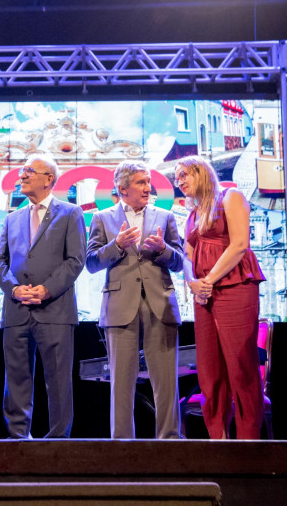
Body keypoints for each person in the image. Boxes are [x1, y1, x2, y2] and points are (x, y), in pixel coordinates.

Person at [85, 160, 183, 439]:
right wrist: (117, 246)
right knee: (121, 381)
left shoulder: (165, 216)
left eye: (148, 182)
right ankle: (123, 447)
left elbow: (179, 262)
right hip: (119, 305)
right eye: (141, 182)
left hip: (160, 302)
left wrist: (164, 250)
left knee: (165, 381)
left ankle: (169, 442)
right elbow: (91, 263)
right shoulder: (102, 218)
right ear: (122, 188)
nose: (148, 188)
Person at [0, 155, 86, 439]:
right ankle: (19, 439)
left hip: (55, 311)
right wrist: (13, 289)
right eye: (22, 172)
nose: (22, 177)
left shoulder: (71, 213)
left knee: (58, 381)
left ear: (48, 179)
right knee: (16, 380)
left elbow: (76, 259)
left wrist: (47, 289)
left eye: (29, 172)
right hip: (17, 311)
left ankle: (57, 443)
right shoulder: (12, 218)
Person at [177, 155, 266, 440]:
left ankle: (248, 442)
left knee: (240, 365)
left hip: (235, 287)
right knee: (209, 370)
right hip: (204, 295)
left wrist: (208, 281)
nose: (179, 182)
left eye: (184, 175)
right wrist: (193, 282)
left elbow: (240, 244)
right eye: (177, 178)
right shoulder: (192, 214)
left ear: (201, 172)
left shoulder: (231, 196)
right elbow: (188, 257)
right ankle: (219, 439)